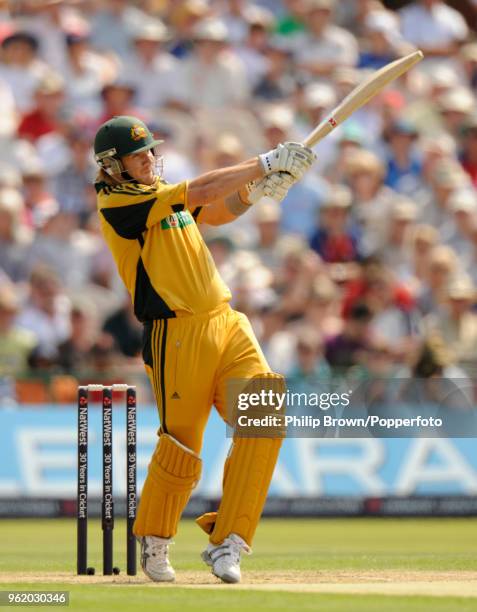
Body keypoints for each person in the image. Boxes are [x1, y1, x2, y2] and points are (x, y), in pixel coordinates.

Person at [93, 115, 315, 583]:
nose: (150, 160)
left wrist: (255, 191)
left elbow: (213, 211)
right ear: (112, 166)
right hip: (175, 332)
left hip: (226, 321)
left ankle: (228, 542)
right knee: (183, 448)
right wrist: (264, 162)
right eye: (138, 155)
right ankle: (154, 537)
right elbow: (199, 193)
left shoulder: (161, 190)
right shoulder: (117, 203)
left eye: (151, 151)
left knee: (264, 420)